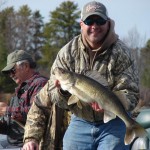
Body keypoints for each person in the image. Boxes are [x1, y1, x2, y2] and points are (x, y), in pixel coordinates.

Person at [23, 1, 139, 150]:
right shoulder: (67, 52)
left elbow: (131, 92)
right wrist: (63, 92)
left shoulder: (122, 52)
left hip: (114, 121)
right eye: (89, 21)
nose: (94, 26)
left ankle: (131, 127)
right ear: (81, 24)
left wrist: (107, 106)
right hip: (81, 120)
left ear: (108, 23)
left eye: (100, 21)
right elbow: (51, 94)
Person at [0, 50, 48, 149]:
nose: (10, 75)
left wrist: (7, 110)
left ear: (26, 66)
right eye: (8, 72)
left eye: (12, 70)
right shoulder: (19, 90)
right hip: (13, 142)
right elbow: (11, 126)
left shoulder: (41, 84)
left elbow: (37, 113)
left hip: (28, 144)